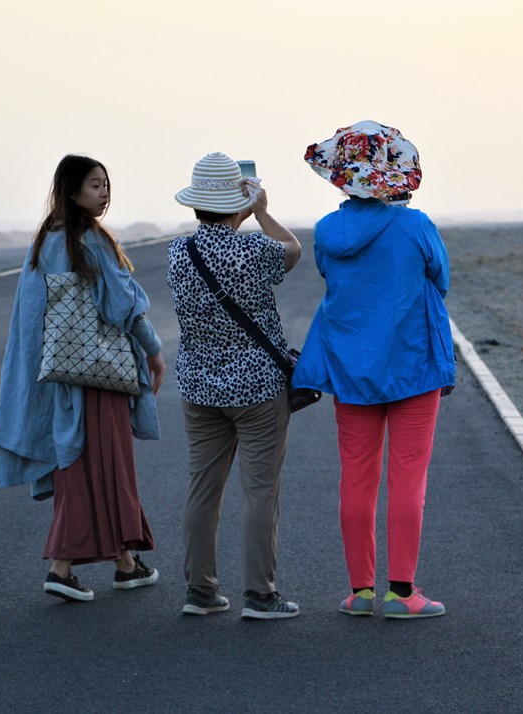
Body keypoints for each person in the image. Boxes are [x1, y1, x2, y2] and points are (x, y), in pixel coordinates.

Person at [292, 121, 456, 619]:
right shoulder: (416, 225)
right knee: (409, 480)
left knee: (356, 480)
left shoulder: (326, 230)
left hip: (351, 369)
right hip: (413, 367)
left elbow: (329, 274)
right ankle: (403, 594)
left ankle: (360, 593)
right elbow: (441, 279)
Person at [0, 154, 165, 602]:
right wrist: (154, 351)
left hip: (61, 375)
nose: (103, 192)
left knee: (91, 465)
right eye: (94, 185)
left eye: (106, 184)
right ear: (71, 192)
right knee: (99, 466)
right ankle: (62, 567)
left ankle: (126, 563)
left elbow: (32, 321)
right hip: (98, 376)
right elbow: (123, 306)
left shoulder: (44, 242)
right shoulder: (91, 240)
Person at [167, 152, 303, 619]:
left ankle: (200, 591)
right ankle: (260, 594)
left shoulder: (177, 253)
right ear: (236, 199)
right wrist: (261, 211)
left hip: (199, 385)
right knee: (261, 490)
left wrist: (240, 210)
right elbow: (293, 250)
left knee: (202, 489)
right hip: (258, 388)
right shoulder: (254, 249)